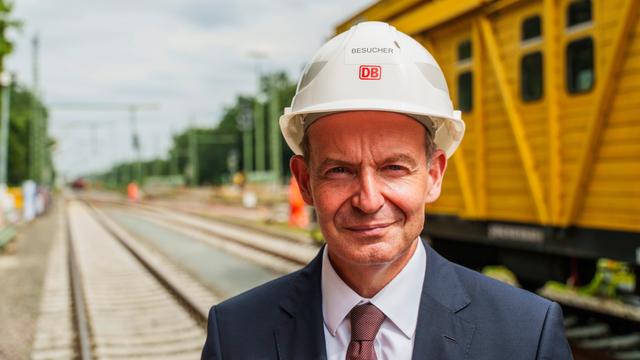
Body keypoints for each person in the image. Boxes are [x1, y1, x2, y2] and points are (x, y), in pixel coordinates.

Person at [201, 21, 572, 360]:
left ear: (434, 175)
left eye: (393, 168)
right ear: (304, 182)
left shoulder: (527, 336)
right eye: (339, 170)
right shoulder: (234, 336)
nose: (368, 199)